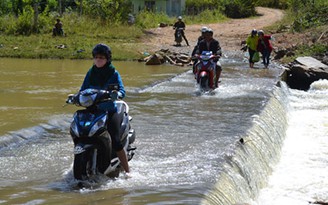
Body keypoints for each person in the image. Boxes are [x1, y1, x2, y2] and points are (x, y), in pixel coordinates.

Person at [80, 43, 130, 175]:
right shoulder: (91, 73)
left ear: (107, 59)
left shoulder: (113, 73)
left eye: (101, 57)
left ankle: (127, 170)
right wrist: (76, 97)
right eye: (96, 57)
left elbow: (122, 90)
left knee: (116, 140)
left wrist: (116, 95)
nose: (98, 60)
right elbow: (83, 89)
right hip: (92, 109)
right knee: (81, 132)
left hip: (109, 110)